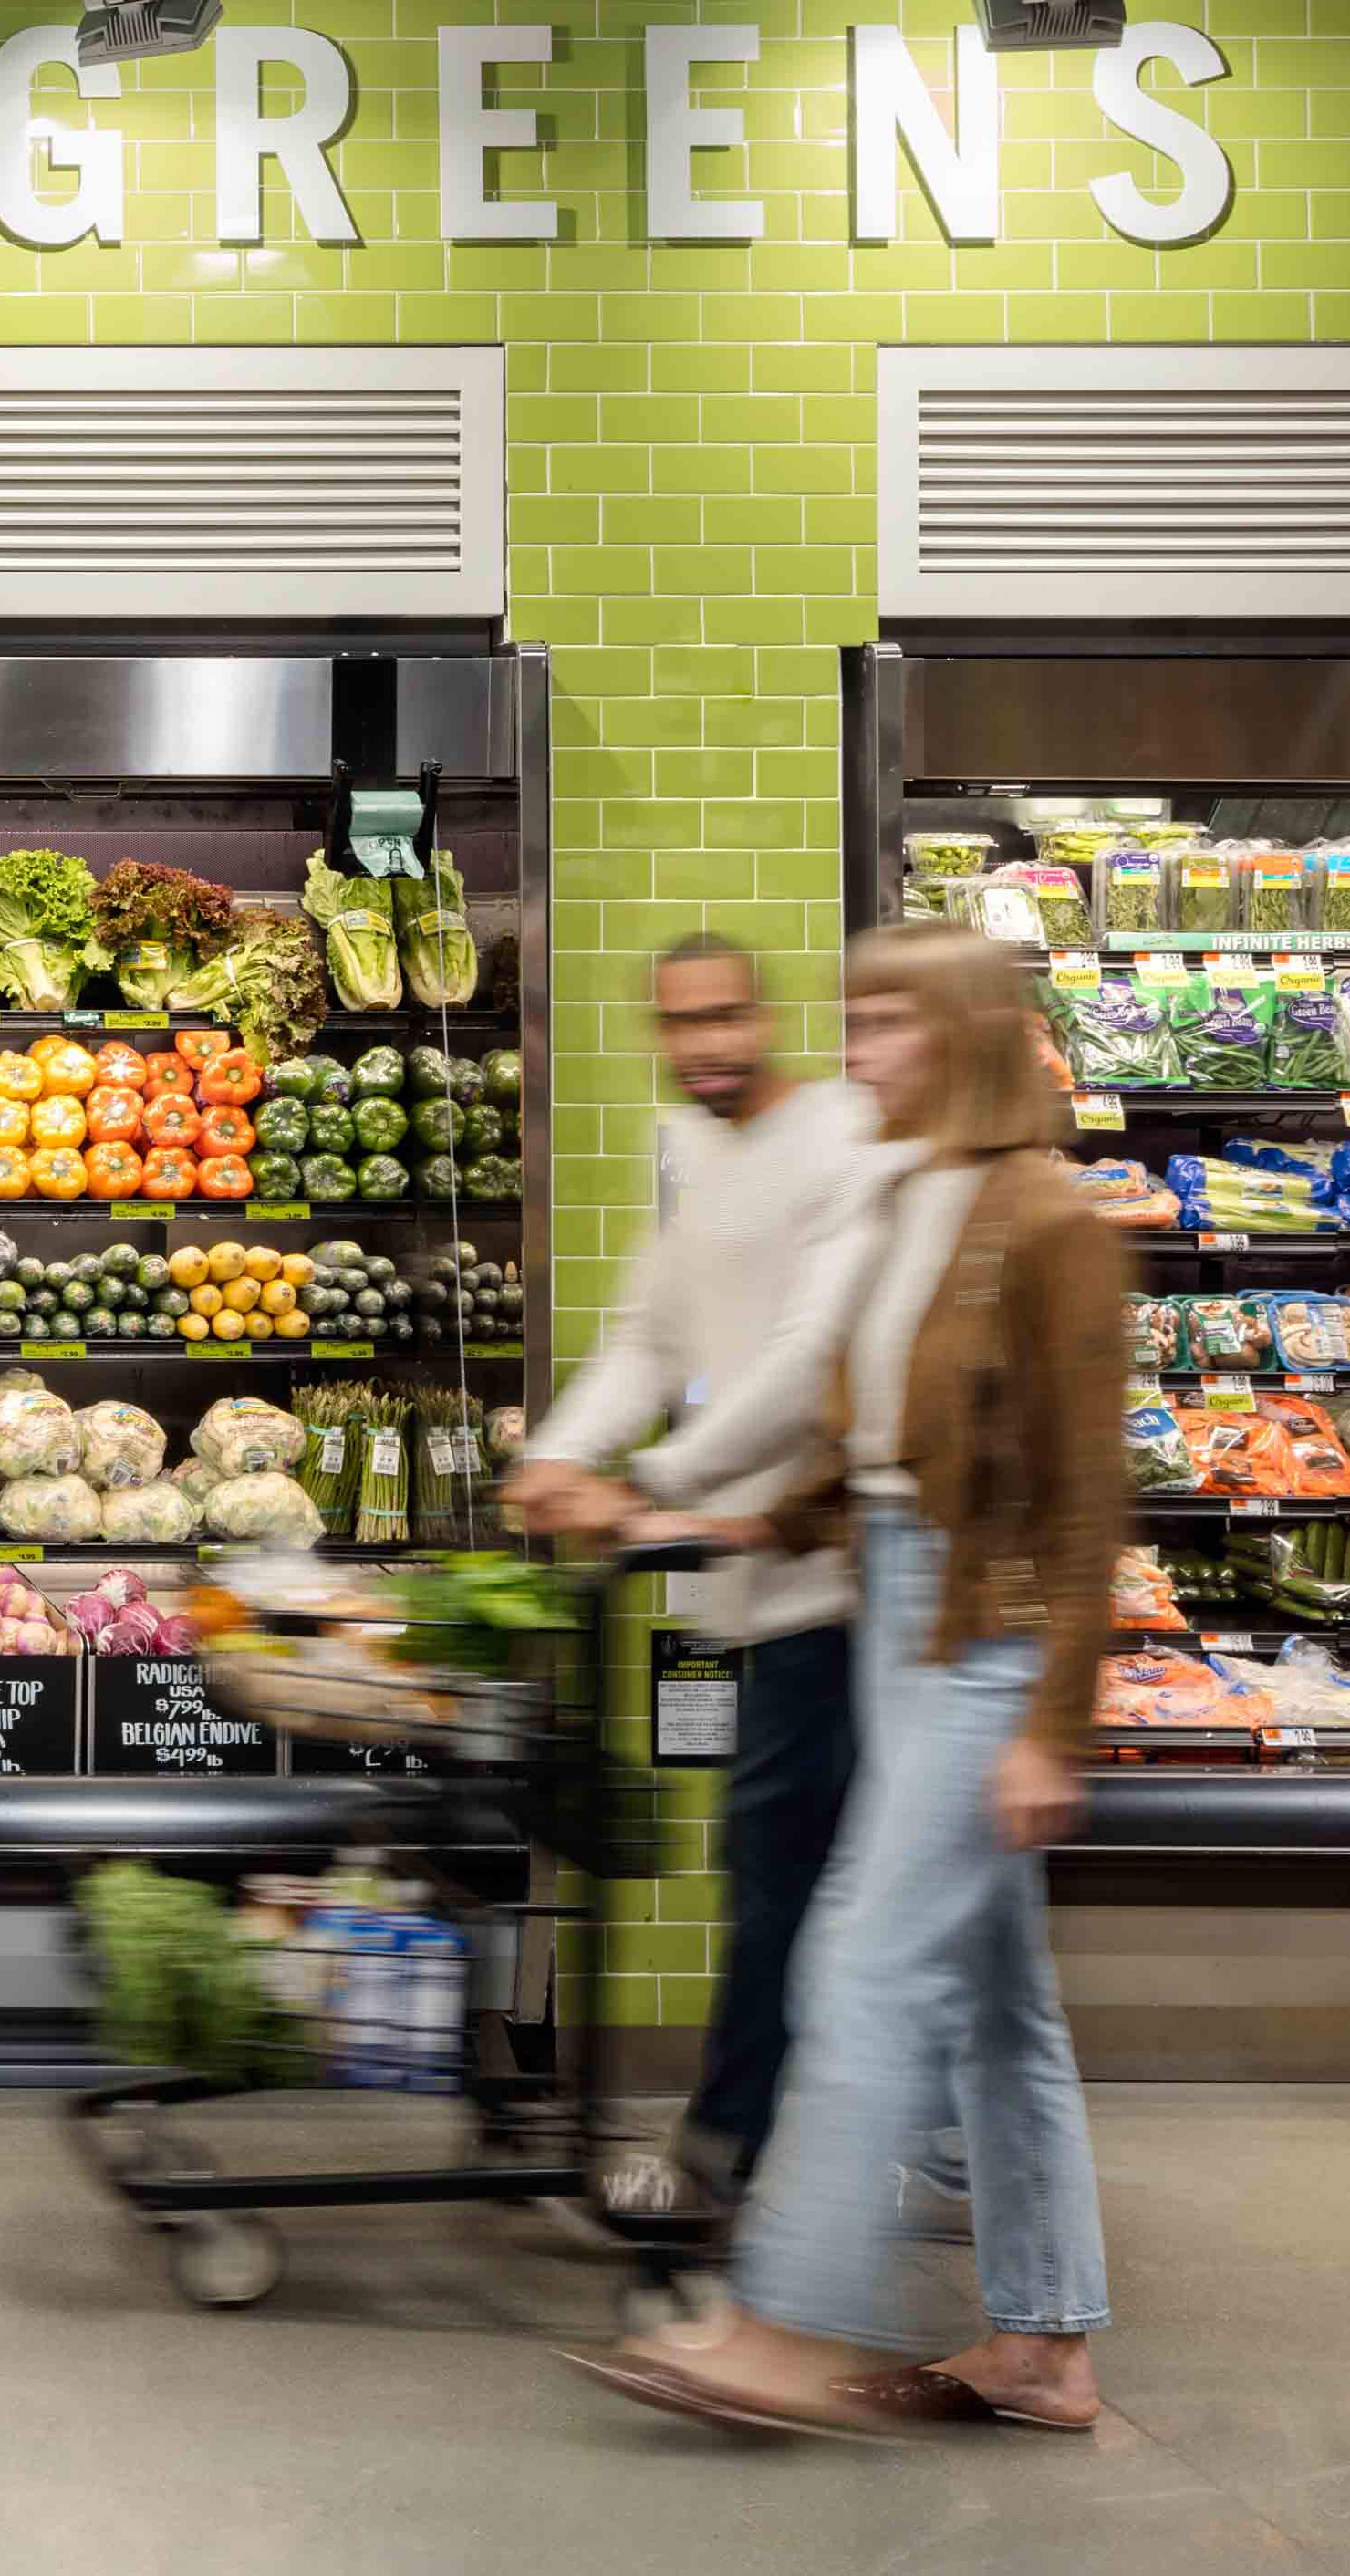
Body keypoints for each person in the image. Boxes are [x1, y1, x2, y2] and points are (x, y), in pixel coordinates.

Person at [563, 922, 1131, 2441]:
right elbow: (864, 1449)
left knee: (863, 1968)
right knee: (1000, 2008)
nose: (855, 1052)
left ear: (960, 1037)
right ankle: (1045, 2346)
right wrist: (707, 1514)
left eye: (885, 1024)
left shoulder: (1048, 1221)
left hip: (980, 1640)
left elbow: (1085, 1507)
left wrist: (1050, 1728)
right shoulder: (908, 1200)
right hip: (891, 1604)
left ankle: (786, 2329)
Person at [506, 933, 891, 2217]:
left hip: (836, 1583)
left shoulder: (838, 1140)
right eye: (681, 1025)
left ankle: (725, 2164)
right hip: (747, 1580)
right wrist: (557, 1455)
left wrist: (649, 1487)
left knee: (775, 1877)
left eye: (725, 1018)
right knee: (780, 1871)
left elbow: (803, 1359)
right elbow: (650, 1338)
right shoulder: (695, 1149)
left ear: (766, 1016)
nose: (706, 1045)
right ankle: (820, 2152)